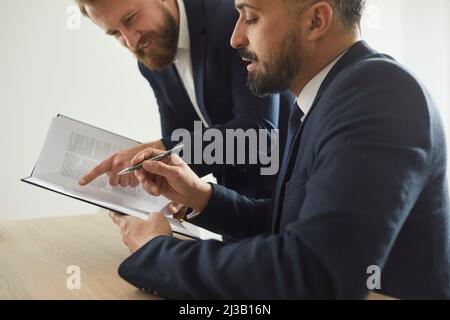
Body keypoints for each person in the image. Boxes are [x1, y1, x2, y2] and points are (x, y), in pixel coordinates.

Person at [109, 0, 450, 299]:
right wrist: (202, 197)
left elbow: (309, 274)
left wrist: (158, 252)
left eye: (251, 18)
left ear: (316, 21)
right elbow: (285, 223)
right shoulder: (322, 99)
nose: (235, 38)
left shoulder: (379, 97)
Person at [76, 0, 295, 201]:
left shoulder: (232, 20)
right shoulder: (150, 59)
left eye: (131, 18)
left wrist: (160, 151)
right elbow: (181, 144)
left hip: (291, 198)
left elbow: (258, 137)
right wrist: (165, 189)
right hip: (235, 209)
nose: (131, 42)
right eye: (115, 33)